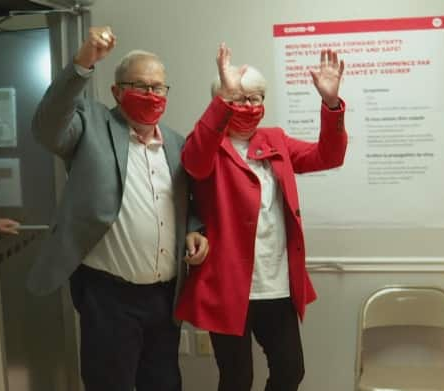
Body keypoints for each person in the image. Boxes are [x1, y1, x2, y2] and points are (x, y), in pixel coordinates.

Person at [26, 26, 209, 391]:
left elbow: (186, 202)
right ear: (117, 91)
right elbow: (47, 128)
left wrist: (195, 228)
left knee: (164, 383)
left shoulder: (176, 143)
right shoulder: (90, 125)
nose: (150, 94)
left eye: (158, 87)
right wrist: (82, 64)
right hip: (108, 298)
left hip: (164, 297)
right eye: (140, 85)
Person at [175, 43, 348, 391]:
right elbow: (193, 162)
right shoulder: (208, 144)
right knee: (237, 379)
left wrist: (331, 105)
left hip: (277, 284)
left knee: (290, 371)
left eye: (257, 98)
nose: (251, 106)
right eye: (240, 99)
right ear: (222, 101)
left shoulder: (275, 140)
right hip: (227, 285)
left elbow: (328, 156)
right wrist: (222, 100)